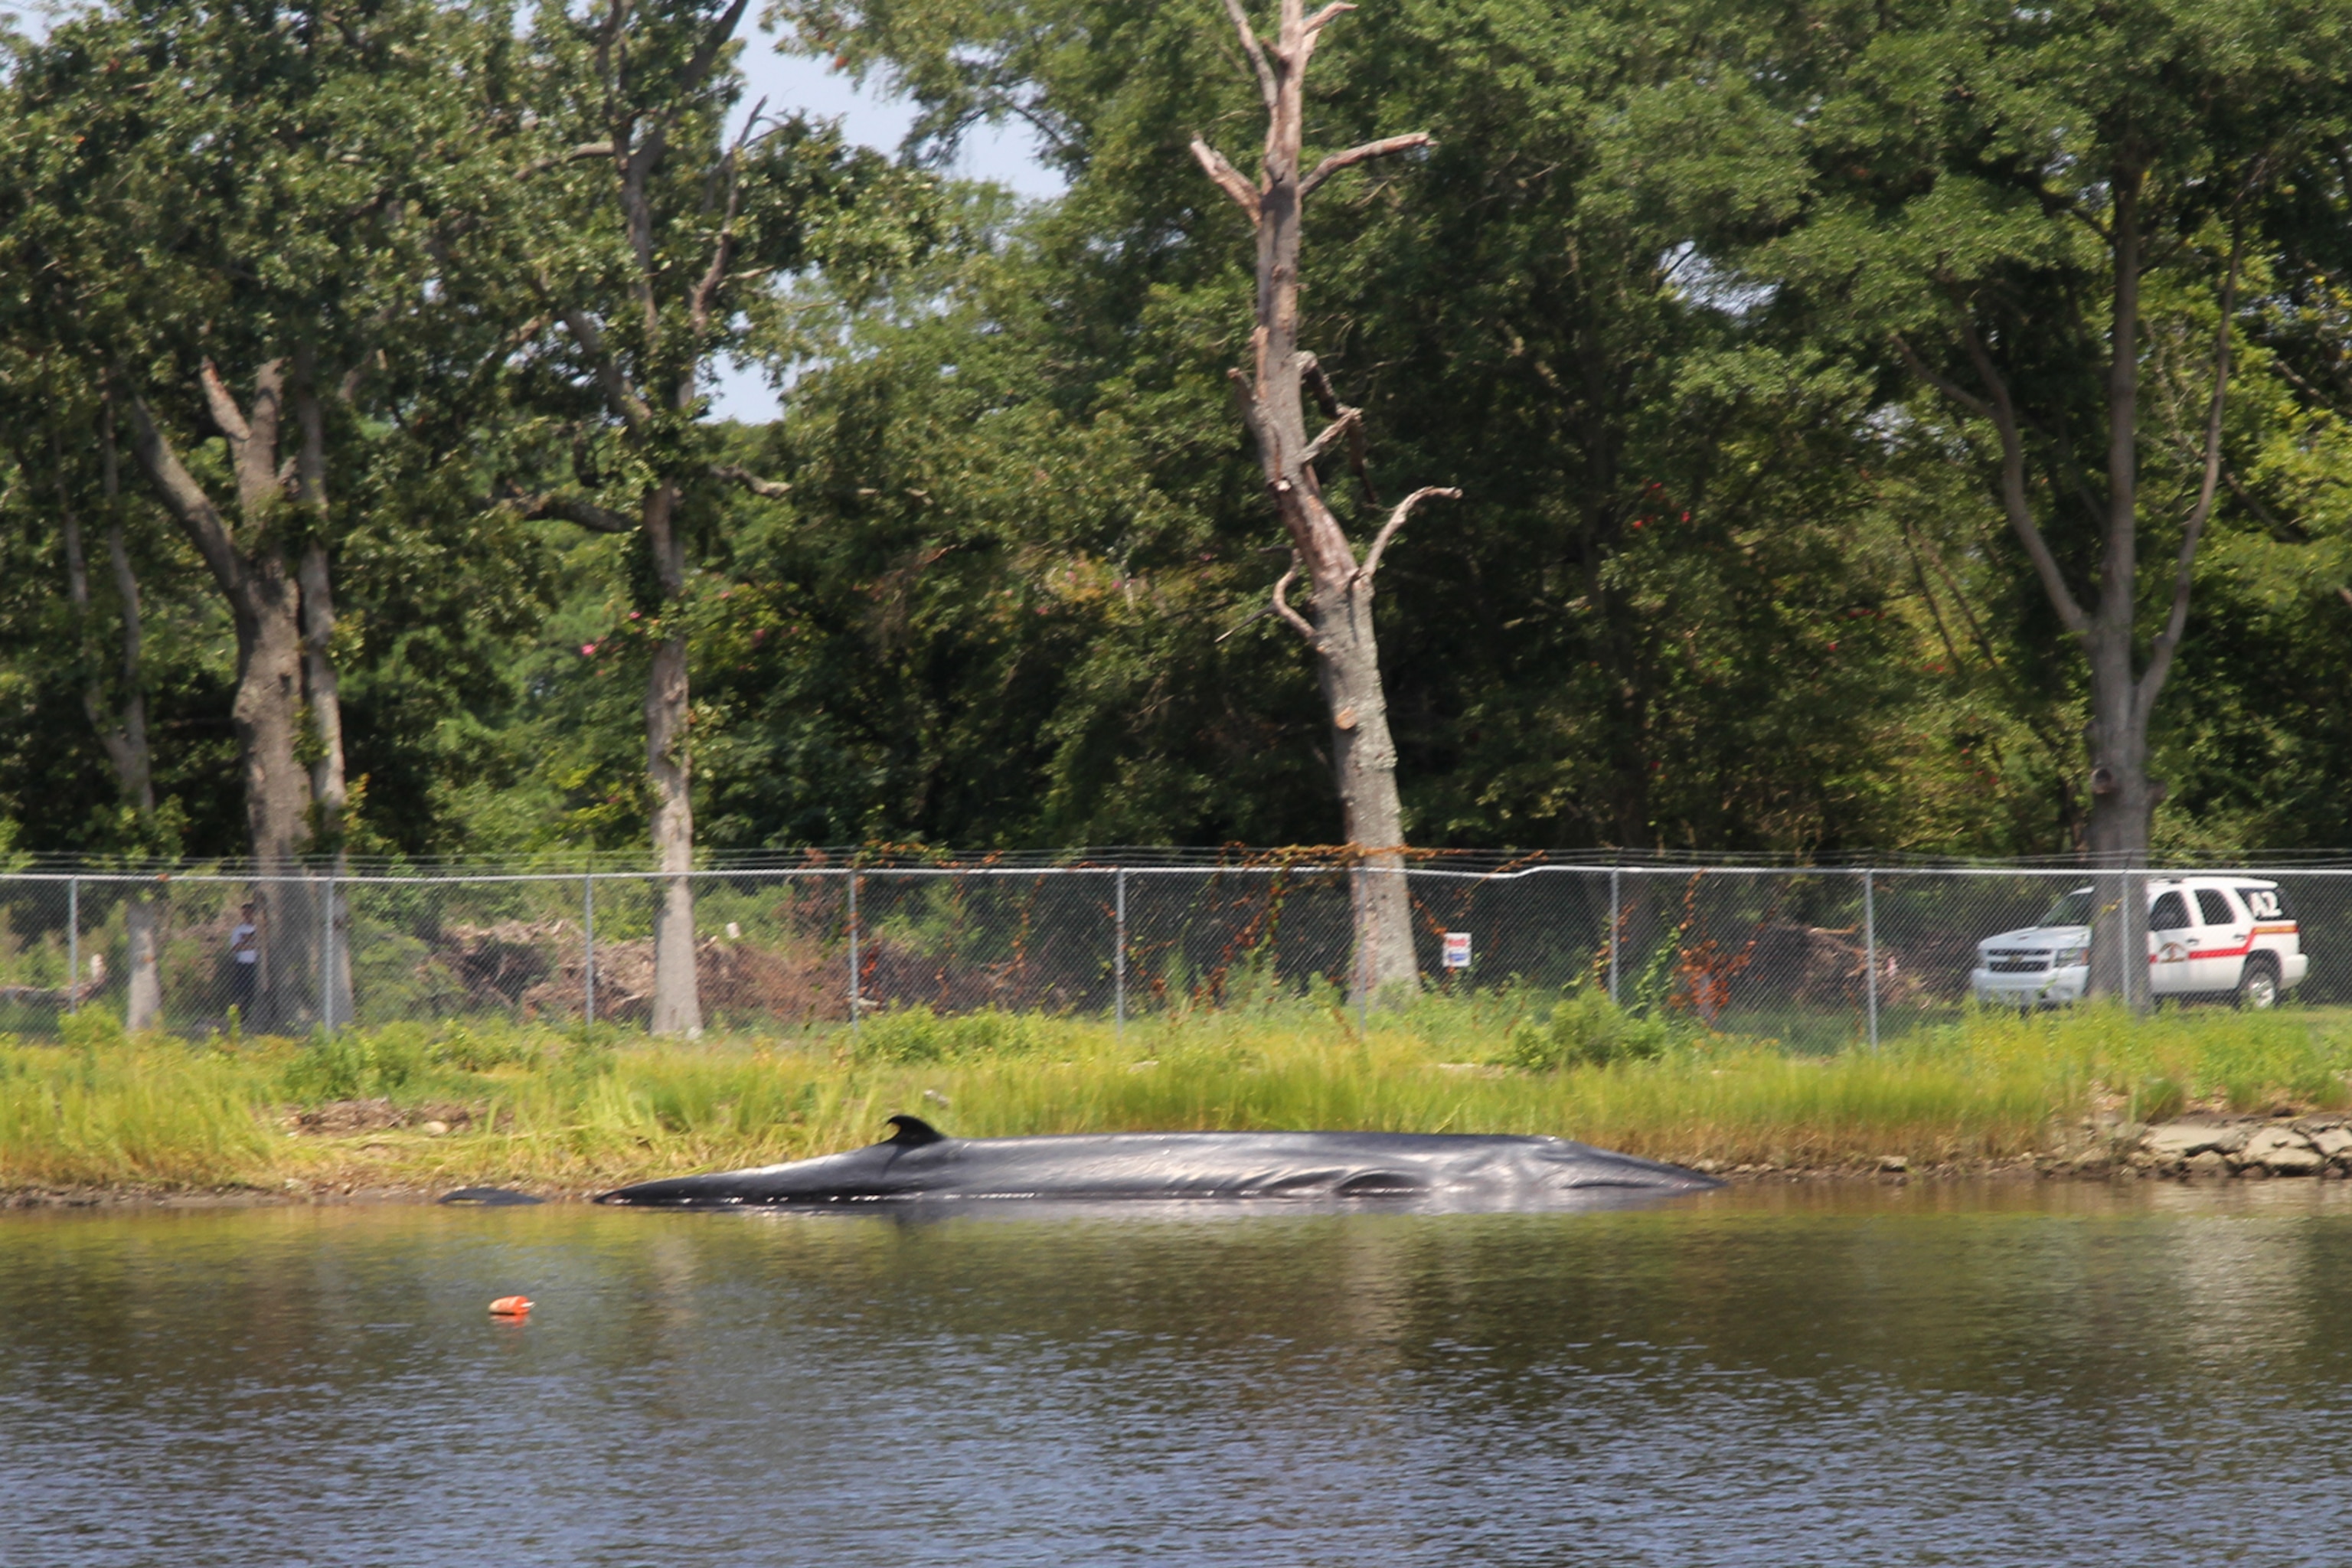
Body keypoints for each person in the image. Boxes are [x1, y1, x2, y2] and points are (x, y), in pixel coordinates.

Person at [228, 902, 260, 1017]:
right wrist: (251, 942)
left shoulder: (259, 929)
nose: (247, 915)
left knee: (253, 991)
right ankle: (240, 1015)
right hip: (243, 964)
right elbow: (236, 947)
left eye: (249, 913)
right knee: (241, 991)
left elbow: (262, 945)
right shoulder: (238, 930)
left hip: (256, 964)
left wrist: (246, 942)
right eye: (244, 913)